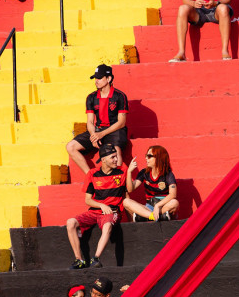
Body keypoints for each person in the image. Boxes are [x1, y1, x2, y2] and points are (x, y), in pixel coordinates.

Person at [66, 141, 125, 269]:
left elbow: (129, 191)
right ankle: (79, 260)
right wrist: (101, 205)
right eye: (113, 157)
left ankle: (96, 258)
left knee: (108, 225)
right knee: (71, 222)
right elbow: (88, 200)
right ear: (103, 160)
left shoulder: (122, 172)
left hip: (112, 211)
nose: (116, 159)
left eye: (116, 156)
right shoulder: (92, 174)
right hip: (94, 211)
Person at [66, 64, 129, 176]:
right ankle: (91, 176)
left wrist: (101, 134)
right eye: (95, 78)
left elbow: (121, 122)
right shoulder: (91, 97)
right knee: (70, 146)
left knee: (116, 151)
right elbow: (90, 121)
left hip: (115, 130)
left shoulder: (120, 96)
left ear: (109, 79)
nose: (96, 81)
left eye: (99, 78)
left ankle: (118, 181)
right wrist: (93, 135)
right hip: (97, 130)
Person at [122, 145, 178, 222]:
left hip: (163, 206)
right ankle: (153, 216)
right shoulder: (144, 173)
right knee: (126, 202)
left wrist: (158, 205)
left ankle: (143, 217)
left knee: (174, 203)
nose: (146, 158)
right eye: (146, 156)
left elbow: (173, 194)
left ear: (158, 158)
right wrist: (129, 172)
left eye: (149, 156)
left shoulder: (168, 174)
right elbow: (130, 189)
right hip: (149, 207)